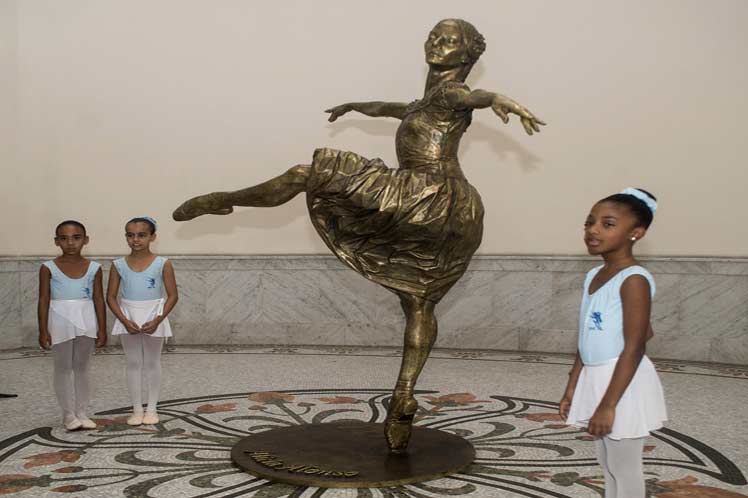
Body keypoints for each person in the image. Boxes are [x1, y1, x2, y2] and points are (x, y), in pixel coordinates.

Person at [171, 19, 545, 451]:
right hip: (448, 208)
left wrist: (499, 98)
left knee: (307, 173)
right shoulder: (423, 102)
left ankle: (221, 199)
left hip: (425, 193)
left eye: (449, 40)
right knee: (419, 300)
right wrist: (354, 106)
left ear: (467, 55)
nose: (436, 43)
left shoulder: (450, 94)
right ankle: (403, 399)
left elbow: (472, 96)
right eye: (434, 36)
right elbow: (389, 107)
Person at [559, 188, 667, 498]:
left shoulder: (633, 278)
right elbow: (586, 335)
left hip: (622, 382)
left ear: (636, 233)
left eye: (607, 224)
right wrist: (573, 385)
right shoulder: (595, 274)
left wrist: (609, 405)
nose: (592, 230)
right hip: (596, 376)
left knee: (625, 466)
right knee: (606, 462)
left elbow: (636, 346)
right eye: (589, 222)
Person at [107, 217, 178, 426]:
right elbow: (110, 296)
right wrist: (124, 319)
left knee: (152, 362)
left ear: (152, 237)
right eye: (130, 235)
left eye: (141, 235)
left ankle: (152, 408)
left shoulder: (162, 263)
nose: (135, 239)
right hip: (128, 315)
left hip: (154, 314)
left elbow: (173, 295)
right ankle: (137, 409)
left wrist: (158, 318)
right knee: (133, 362)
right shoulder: (118, 265)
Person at [38, 220, 106, 430]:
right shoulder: (48, 268)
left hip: (86, 317)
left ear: (85, 240)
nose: (70, 243)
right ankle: (68, 414)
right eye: (64, 238)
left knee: (82, 366)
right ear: (56, 241)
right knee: (62, 367)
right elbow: (43, 299)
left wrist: (102, 328)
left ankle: (82, 411)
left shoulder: (94, 268)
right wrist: (43, 330)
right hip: (60, 318)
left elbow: (98, 299)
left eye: (76, 238)